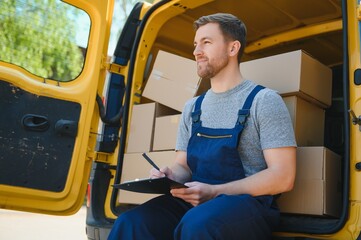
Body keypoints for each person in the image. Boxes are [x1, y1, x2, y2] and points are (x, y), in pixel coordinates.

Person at [108, 13, 296, 240]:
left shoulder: (263, 101)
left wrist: (215, 192)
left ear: (233, 48)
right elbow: (183, 165)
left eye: (206, 42)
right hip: (195, 200)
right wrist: (170, 174)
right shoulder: (193, 107)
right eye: (196, 44)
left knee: (198, 225)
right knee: (131, 223)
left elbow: (283, 176)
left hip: (246, 205)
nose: (196, 51)